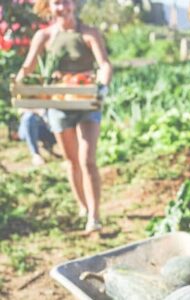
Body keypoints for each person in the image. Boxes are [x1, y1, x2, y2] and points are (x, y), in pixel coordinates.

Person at [16, 0, 112, 233]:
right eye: (57, 3)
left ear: (74, 4)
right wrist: (19, 89)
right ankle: (82, 206)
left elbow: (105, 64)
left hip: (87, 101)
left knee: (87, 159)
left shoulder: (89, 33)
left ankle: (94, 216)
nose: (63, 7)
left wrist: (103, 84)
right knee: (72, 161)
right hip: (58, 104)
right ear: (49, 6)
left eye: (66, 2)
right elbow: (28, 67)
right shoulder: (44, 36)